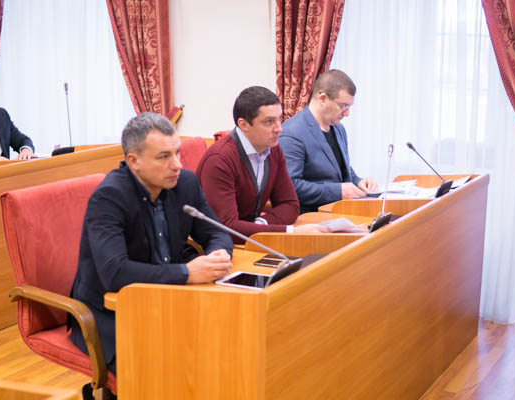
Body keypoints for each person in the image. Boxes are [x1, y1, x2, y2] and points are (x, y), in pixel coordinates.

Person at [68, 112, 233, 378]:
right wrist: (187, 273)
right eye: (164, 157)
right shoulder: (109, 197)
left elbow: (216, 232)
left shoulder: (185, 183)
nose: (177, 164)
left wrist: (217, 255)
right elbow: (115, 273)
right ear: (134, 161)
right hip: (111, 312)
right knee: (168, 367)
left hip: (168, 297)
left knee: (224, 342)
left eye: (177, 153)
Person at [196, 86, 329, 244]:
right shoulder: (219, 159)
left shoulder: (273, 149)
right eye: (269, 122)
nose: (279, 128)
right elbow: (227, 228)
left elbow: (290, 205)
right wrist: (291, 232)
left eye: (279, 119)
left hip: (251, 237)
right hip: (217, 246)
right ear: (243, 124)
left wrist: (261, 224)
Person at [279, 70, 378, 213]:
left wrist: (359, 182)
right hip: (309, 217)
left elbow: (340, 170)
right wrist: (338, 191)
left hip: (339, 212)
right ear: (322, 98)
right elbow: (290, 187)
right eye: (343, 106)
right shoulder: (292, 133)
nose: (347, 113)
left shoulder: (339, 129)